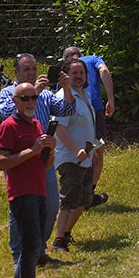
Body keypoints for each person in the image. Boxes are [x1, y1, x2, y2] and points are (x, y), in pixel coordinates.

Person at [0, 53, 68, 266]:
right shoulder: (9, 93)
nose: (32, 73)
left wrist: (66, 88)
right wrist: (33, 93)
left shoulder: (46, 95)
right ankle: (20, 255)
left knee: (50, 206)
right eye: (27, 69)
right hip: (19, 162)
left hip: (43, 159)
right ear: (16, 72)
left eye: (34, 68)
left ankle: (37, 248)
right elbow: (9, 112)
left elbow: (66, 110)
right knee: (21, 209)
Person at [0, 82, 57, 278]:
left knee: (34, 245)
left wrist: (50, 149)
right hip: (22, 194)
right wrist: (33, 149)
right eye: (25, 98)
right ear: (15, 101)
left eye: (33, 98)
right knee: (30, 245)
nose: (31, 102)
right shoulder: (8, 126)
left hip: (39, 191)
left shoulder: (38, 125)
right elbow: (2, 163)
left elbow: (46, 164)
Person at [50, 58, 97, 254]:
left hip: (86, 157)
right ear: (65, 76)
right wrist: (75, 150)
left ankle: (66, 233)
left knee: (84, 199)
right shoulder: (64, 98)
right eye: (74, 73)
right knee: (69, 199)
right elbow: (59, 129)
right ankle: (58, 241)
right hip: (70, 159)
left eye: (81, 73)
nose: (78, 77)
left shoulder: (84, 94)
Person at [61, 46, 113, 206]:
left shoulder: (89, 60)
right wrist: (111, 97)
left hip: (93, 112)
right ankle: (85, 194)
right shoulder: (92, 59)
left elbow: (103, 70)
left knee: (95, 153)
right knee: (94, 154)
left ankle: (87, 195)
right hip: (90, 114)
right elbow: (103, 70)